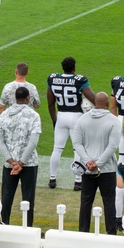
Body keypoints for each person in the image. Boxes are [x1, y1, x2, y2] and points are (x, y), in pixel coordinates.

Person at [71, 92, 121, 234]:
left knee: (86, 201)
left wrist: (88, 162)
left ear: (94, 103)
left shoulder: (82, 119)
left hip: (87, 169)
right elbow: (112, 146)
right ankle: (111, 234)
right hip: (107, 169)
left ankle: (83, 232)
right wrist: (98, 164)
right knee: (109, 202)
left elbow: (77, 144)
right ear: (108, 104)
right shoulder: (114, 121)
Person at [0, 86, 41, 225]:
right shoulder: (34, 115)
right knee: (28, 198)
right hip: (29, 163)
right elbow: (33, 142)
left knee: (7, 196)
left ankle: (4, 225)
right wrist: (21, 163)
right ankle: (28, 229)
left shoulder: (4, 114)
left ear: (15, 98)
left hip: (9, 164)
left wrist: (11, 162)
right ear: (27, 98)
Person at [47, 57, 95, 190]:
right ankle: (78, 181)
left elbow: (51, 104)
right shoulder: (79, 80)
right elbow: (92, 98)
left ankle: (52, 178)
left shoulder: (53, 79)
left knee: (57, 148)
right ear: (74, 68)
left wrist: (55, 120)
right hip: (77, 117)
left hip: (61, 115)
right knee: (77, 148)